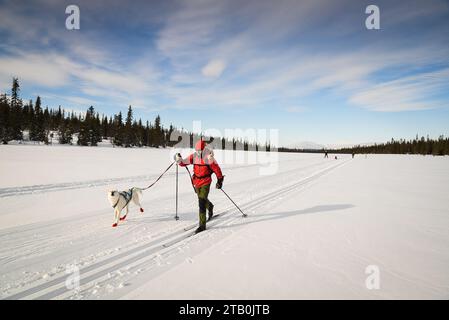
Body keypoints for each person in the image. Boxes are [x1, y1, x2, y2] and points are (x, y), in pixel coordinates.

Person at [174, 140, 224, 234]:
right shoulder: (194, 156)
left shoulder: (209, 158)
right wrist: (179, 160)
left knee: (201, 202)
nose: (198, 152)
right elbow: (183, 163)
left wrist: (220, 180)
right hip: (196, 181)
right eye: (197, 150)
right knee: (202, 199)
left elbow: (217, 169)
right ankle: (210, 206)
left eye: (200, 150)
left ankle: (202, 225)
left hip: (206, 182)